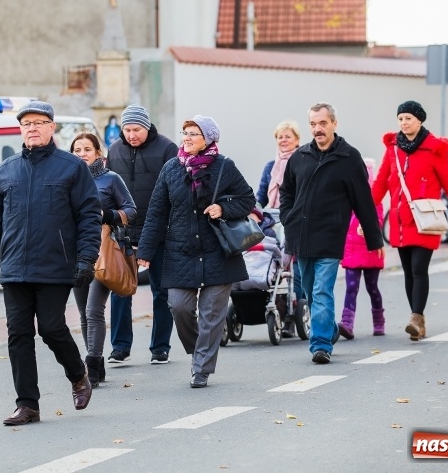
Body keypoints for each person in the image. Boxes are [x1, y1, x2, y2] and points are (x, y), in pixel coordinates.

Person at [0, 101, 102, 426]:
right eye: (26, 123)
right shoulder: (7, 170)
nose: (32, 128)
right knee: (18, 334)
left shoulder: (71, 167)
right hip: (15, 267)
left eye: (38, 122)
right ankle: (27, 404)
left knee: (50, 327)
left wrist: (86, 258)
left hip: (54, 265)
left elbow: (89, 216)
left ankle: (78, 376)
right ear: (20, 129)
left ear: (51, 127)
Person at [137, 116, 256, 388]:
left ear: (208, 139)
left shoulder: (224, 166)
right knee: (179, 306)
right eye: (185, 132)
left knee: (211, 315)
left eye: (194, 133)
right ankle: (199, 350)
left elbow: (247, 199)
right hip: (180, 251)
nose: (187, 138)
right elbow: (156, 212)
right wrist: (145, 250)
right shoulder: (171, 168)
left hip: (218, 252)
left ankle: (201, 369)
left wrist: (223, 208)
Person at [280, 103, 384, 364]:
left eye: (323, 123)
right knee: (309, 291)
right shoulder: (300, 156)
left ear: (334, 124)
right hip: (301, 236)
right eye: (313, 124)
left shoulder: (349, 158)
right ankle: (330, 329)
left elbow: (363, 200)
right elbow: (287, 192)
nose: (317, 129)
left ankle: (321, 345)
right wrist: (287, 218)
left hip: (330, 236)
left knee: (321, 290)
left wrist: (374, 238)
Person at [372, 101, 448, 342]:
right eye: (400, 119)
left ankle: (415, 317)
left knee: (419, 268)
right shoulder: (393, 149)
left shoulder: (434, 149)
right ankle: (417, 320)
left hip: (425, 220)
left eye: (408, 118)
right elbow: (380, 184)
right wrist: (366, 215)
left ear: (419, 120)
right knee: (409, 272)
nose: (403, 123)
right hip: (400, 221)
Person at [106, 104, 178, 365]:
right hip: (124, 232)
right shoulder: (115, 150)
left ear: (147, 127)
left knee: (162, 291)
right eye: (127, 130)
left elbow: (175, 191)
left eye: (136, 129)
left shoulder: (168, 149)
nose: (131, 134)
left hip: (159, 232)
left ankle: (160, 347)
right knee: (120, 290)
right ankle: (120, 347)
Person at [70, 132, 136, 387]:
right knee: (83, 314)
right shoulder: (66, 179)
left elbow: (131, 210)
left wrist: (107, 214)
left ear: (98, 153)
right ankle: (96, 360)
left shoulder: (111, 179)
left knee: (93, 310)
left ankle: (92, 367)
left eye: (87, 149)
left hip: (103, 252)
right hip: (75, 253)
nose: (82, 154)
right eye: (77, 150)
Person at [255, 120, 306, 335]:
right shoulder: (271, 166)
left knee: (297, 269)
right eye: (280, 137)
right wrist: (254, 211)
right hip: (275, 221)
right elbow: (261, 195)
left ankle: (296, 313)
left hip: (297, 220)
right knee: (277, 268)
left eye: (288, 136)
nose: (283, 140)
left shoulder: (302, 161)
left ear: (297, 140)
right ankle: (281, 310)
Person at [338, 158, 386, 339]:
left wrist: (368, 226)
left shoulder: (375, 200)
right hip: (351, 249)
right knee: (351, 287)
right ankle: (347, 323)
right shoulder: (346, 197)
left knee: (372, 287)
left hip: (371, 249)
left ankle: (379, 321)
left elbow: (379, 219)